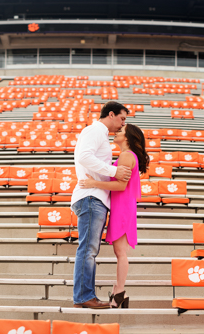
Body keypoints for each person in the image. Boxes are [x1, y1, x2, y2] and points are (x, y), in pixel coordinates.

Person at [78, 123, 147, 309]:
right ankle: (119, 292)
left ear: (128, 137)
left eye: (121, 131)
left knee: (120, 252)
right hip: (122, 205)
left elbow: (120, 186)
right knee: (120, 252)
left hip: (123, 206)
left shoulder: (126, 155)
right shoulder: (127, 156)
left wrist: (93, 183)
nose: (117, 132)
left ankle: (119, 292)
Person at [71, 101, 132, 309]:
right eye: (122, 118)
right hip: (90, 197)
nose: (123, 124)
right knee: (88, 250)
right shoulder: (95, 130)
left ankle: (85, 296)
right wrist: (113, 171)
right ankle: (83, 297)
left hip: (95, 197)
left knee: (90, 250)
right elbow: (84, 156)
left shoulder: (100, 134)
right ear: (112, 114)